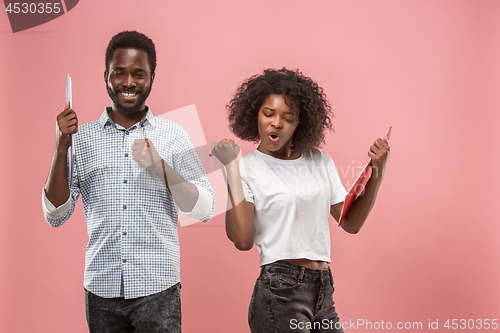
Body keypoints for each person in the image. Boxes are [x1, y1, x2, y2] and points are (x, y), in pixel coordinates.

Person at [42, 30, 214, 332]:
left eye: (139, 74)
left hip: (159, 291)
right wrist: (60, 146)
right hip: (100, 292)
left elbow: (205, 209)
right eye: (119, 73)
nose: (129, 83)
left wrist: (162, 168)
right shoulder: (80, 138)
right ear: (106, 75)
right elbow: (55, 215)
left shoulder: (177, 133)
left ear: (152, 77)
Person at [211, 68, 390, 333]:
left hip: (323, 289)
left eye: (288, 117)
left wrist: (377, 172)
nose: (276, 123)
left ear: (300, 123)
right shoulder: (247, 168)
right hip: (280, 291)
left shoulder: (319, 160)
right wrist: (231, 170)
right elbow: (243, 240)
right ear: (255, 116)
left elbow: (350, 223)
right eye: (268, 114)